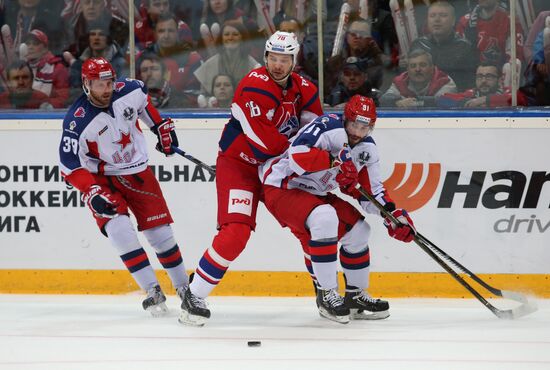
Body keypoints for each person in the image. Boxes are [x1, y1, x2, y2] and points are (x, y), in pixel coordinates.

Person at [179, 31, 323, 326]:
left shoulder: (306, 88)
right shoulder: (253, 87)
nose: (278, 65)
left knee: (309, 225)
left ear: (294, 61)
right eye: (273, 58)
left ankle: (325, 291)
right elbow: (267, 145)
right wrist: (304, 156)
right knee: (236, 232)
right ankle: (194, 294)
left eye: (284, 59)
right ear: (266, 57)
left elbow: (316, 134)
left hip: (278, 169)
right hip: (242, 167)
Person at [259, 95, 415, 323]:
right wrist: (334, 161)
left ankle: (355, 296)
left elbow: (371, 191)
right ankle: (327, 294)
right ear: (345, 119)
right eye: (354, 125)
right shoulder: (327, 126)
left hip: (314, 193)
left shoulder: (367, 149)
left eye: (364, 127)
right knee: (325, 217)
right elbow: (297, 156)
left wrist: (390, 214)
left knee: (360, 231)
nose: (357, 132)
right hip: (282, 186)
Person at [58, 57, 189, 316]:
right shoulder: (77, 121)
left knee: (160, 234)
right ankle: (152, 290)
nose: (106, 89)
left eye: (109, 82)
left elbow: (146, 106)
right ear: (86, 84)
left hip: (138, 172)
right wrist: (90, 191)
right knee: (119, 230)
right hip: (101, 178)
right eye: (98, 84)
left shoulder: (130, 90)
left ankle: (185, 289)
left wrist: (160, 127)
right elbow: (68, 163)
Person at [410, 1, 477, 91]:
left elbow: (470, 85)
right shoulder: (418, 45)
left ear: (453, 20)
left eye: (443, 15)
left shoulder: (465, 47)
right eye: (432, 16)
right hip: (420, 98)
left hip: (453, 100)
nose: (437, 20)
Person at [193, 20, 260, 96]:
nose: (230, 38)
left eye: (235, 34)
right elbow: (204, 95)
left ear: (242, 38)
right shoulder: (209, 65)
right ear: (221, 39)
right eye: (226, 34)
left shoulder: (254, 67)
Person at [380, 48, 456, 107]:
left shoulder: (445, 82)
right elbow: (385, 99)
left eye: (422, 65)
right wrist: (397, 103)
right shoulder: (400, 81)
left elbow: (443, 102)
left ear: (432, 68)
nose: (418, 69)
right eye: (413, 66)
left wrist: (414, 103)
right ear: (407, 70)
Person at [438, 62, 527, 107]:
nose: (483, 81)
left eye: (489, 76)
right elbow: (444, 98)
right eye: (479, 77)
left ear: (500, 80)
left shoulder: (508, 91)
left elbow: (521, 98)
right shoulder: (472, 93)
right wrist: (467, 102)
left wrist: (485, 100)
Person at [23, 29, 70, 108]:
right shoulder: (21, 68)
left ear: (45, 48)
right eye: (27, 44)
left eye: (35, 44)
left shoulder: (57, 68)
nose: (30, 47)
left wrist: (47, 105)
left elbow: (63, 97)